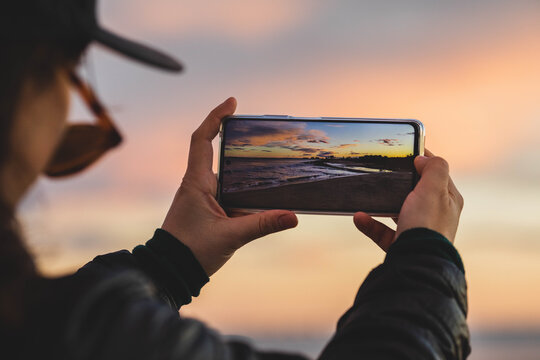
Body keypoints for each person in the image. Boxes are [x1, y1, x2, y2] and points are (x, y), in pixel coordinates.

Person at [0, 1, 470, 359]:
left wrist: (170, 262)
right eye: (71, 77)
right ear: (26, 83)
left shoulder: (53, 325)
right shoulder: (79, 331)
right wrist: (427, 264)